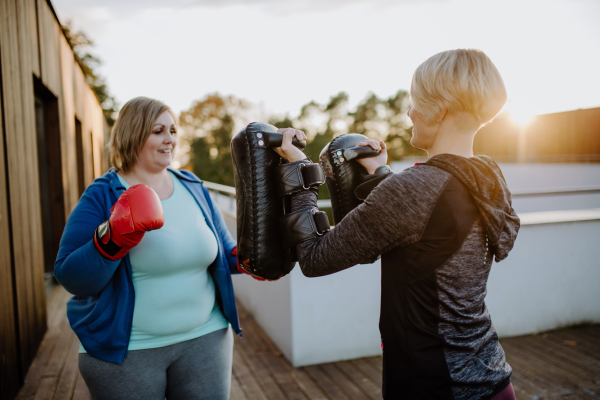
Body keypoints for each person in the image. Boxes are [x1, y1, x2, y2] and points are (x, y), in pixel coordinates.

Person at [274, 49, 519, 400]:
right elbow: (425, 226)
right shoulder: (488, 177)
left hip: (436, 387)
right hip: (493, 379)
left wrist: (299, 171)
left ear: (442, 108)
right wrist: (380, 173)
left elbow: (314, 258)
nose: (410, 112)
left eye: (416, 102)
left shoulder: (414, 188)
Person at [54, 97, 256, 399]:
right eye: (159, 131)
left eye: (173, 131)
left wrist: (257, 260)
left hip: (206, 339)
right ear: (133, 134)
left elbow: (226, 255)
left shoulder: (193, 186)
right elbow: (69, 276)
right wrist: (111, 239)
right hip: (130, 351)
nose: (170, 139)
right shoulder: (102, 194)